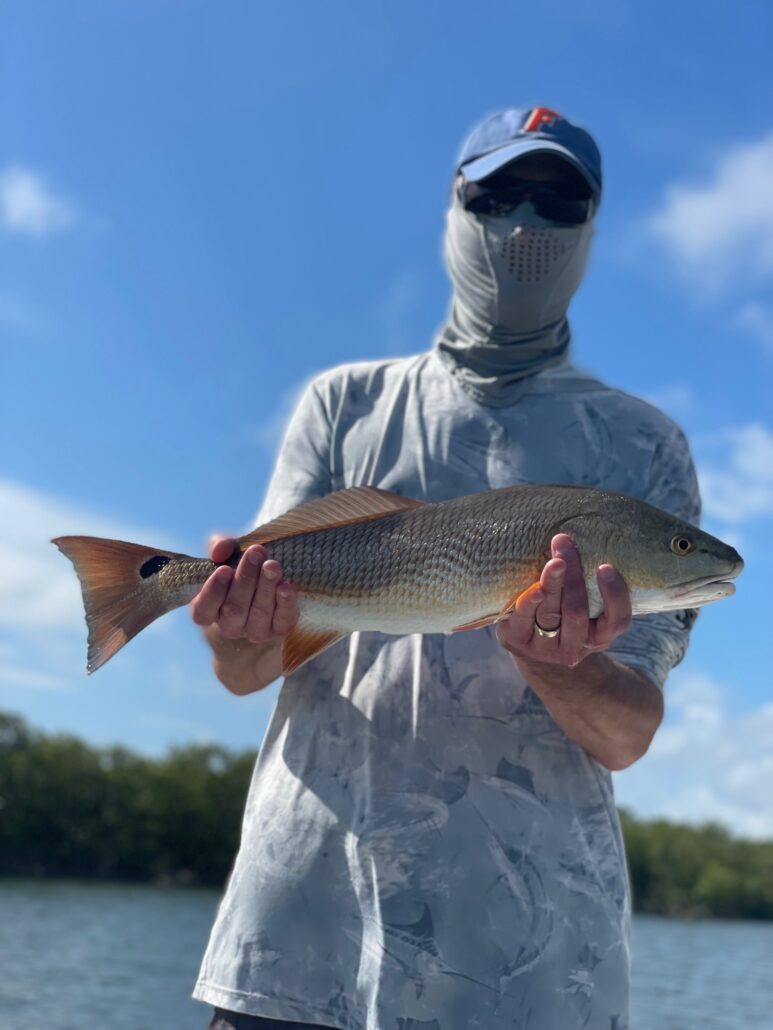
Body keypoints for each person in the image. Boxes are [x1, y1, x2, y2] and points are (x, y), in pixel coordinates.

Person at [191, 107, 700, 1030]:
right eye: (497, 193)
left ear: (590, 229)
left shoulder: (643, 447)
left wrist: (563, 666)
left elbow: (625, 735)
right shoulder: (343, 404)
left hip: (532, 974)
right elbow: (245, 671)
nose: (523, 227)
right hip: (303, 934)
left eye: (557, 202)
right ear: (453, 206)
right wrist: (238, 629)